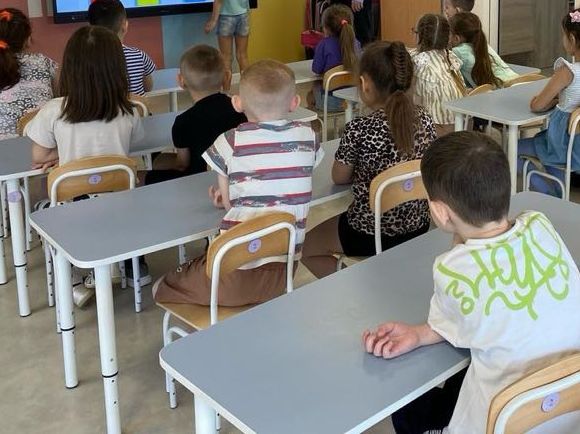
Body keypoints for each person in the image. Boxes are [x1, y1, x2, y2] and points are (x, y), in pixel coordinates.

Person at [361, 131, 580, 434]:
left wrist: (418, 333)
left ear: (440, 212)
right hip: (564, 414)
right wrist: (418, 334)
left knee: (405, 397)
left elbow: (458, 320)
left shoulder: (451, 269)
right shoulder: (540, 223)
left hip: (497, 424)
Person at [153, 60, 319, 308]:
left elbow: (229, 204)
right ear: (294, 102)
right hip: (284, 272)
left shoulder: (229, 142)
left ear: (237, 103)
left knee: (159, 287)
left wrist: (229, 196)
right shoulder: (308, 137)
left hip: (233, 275)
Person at [24, 25, 146, 307]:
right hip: (121, 205)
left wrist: (60, 152)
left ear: (70, 68)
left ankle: (75, 284)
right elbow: (133, 144)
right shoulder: (129, 110)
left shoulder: (54, 110)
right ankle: (114, 265)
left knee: (41, 211)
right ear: (117, 69)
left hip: (73, 209)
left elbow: (39, 155)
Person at [301, 41, 437, 278]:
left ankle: (355, 289)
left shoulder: (359, 129)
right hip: (418, 225)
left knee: (306, 248)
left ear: (364, 84)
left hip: (368, 231)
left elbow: (339, 177)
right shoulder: (425, 120)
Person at [519, 7, 580, 197]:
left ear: (571, 38)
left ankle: (548, 193)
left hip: (562, 143)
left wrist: (548, 101)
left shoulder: (568, 70)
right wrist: (559, 100)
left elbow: (537, 105)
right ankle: (560, 196)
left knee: (508, 149)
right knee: (548, 152)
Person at [144, 45, 246, 185]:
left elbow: (182, 165)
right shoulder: (240, 110)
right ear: (227, 77)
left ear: (181, 81)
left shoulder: (183, 122)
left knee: (149, 174)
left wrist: (160, 161)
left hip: (197, 180)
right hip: (235, 177)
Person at [0, 7, 57, 140]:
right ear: (28, 38)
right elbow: (57, 101)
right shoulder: (43, 62)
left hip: (0, 147)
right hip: (43, 143)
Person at [410, 13, 466, 135]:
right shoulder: (450, 57)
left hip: (437, 134)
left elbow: (412, 103)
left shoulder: (419, 64)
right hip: (461, 127)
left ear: (418, 36)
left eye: (414, 31)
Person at [88, 0, 155, 95]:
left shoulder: (85, 60)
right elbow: (148, 87)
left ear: (90, 28)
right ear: (125, 25)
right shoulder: (139, 56)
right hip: (135, 106)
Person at [309, 3, 360, 110]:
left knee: (312, 90)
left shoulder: (324, 44)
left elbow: (316, 69)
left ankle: (316, 119)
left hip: (329, 101)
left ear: (326, 28)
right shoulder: (356, 43)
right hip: (353, 99)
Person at [448, 12, 518, 88]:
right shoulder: (484, 45)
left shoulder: (457, 52)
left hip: (503, 90)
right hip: (518, 81)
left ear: (456, 38)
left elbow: (452, 82)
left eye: (449, 33)